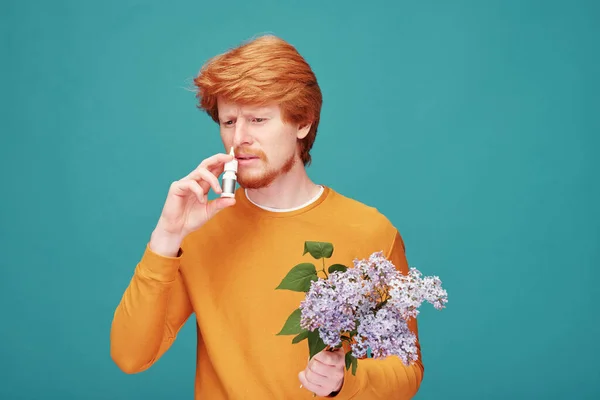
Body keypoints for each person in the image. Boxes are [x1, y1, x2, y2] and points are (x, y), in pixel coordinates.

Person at [110, 34, 424, 399]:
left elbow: (406, 369)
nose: (238, 138)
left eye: (257, 119)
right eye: (228, 122)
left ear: (302, 123)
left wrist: (346, 382)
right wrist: (166, 237)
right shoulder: (200, 231)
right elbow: (130, 355)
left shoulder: (370, 232)